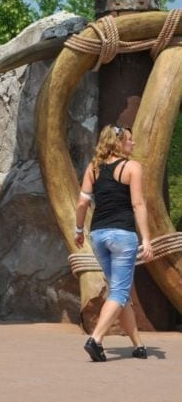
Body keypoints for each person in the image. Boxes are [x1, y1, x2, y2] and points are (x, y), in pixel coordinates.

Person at [75, 124, 153, 362]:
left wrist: (78, 230)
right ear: (117, 142)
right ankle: (96, 339)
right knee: (119, 290)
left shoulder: (93, 168)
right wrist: (146, 239)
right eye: (129, 139)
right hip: (122, 236)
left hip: (98, 235)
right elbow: (138, 204)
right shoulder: (132, 167)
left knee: (120, 291)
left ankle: (138, 345)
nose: (133, 143)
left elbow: (82, 203)